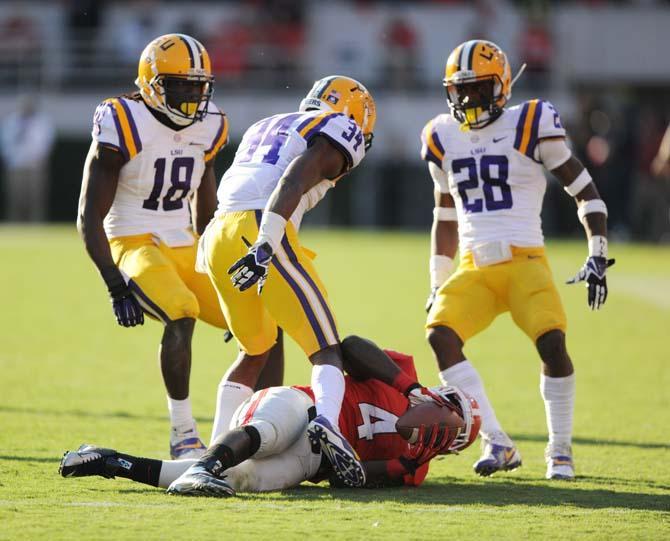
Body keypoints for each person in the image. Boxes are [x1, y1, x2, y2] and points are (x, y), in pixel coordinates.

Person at [196, 75, 425, 488]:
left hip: (218, 235)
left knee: (256, 348)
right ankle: (328, 424)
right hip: (260, 227)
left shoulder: (270, 123)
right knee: (327, 349)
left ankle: (212, 460)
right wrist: (266, 242)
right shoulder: (340, 128)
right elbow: (296, 177)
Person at [76, 33, 283, 460]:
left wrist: (228, 285)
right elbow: (88, 216)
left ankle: (268, 427)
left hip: (185, 243)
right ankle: (183, 433)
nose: (191, 94)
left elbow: (207, 212)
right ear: (152, 83)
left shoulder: (210, 125)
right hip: (132, 240)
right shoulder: (123, 117)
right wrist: (115, 285)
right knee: (181, 310)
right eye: (180, 84)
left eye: (198, 85)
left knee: (266, 322)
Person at [421, 40, 614, 480]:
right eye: (459, 90)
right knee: (440, 336)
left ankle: (560, 449)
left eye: (478, 88)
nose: (467, 99)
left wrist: (598, 252)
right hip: (474, 266)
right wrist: (437, 281)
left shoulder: (530, 122)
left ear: (502, 87)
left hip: (524, 258)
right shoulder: (441, 135)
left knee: (552, 343)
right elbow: (444, 216)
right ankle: (497, 441)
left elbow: (584, 189)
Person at [59, 336, 481, 495]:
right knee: (271, 431)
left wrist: (406, 462)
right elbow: (348, 346)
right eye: (447, 421)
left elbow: (348, 476)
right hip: (305, 405)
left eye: (450, 439)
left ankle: (110, 460)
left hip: (314, 460)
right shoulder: (402, 373)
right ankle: (204, 466)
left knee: (245, 480)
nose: (437, 432)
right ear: (439, 398)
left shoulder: (415, 469)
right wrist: (409, 388)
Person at [1, 95, 54, 221]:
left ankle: (36, 226)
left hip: (35, 168)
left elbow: (45, 144)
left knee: (36, 200)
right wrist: (11, 159)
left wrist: (37, 159)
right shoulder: (11, 122)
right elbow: (5, 142)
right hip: (16, 167)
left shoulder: (42, 122)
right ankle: (15, 225)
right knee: (15, 199)